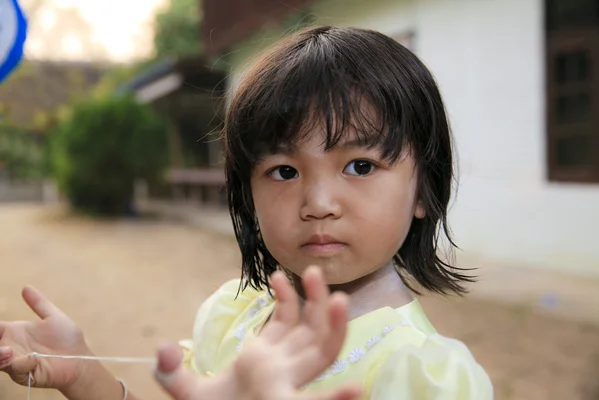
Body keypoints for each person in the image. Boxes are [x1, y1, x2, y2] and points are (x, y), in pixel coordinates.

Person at [0, 26, 493, 399]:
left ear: (425, 187)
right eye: (283, 171)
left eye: (360, 165)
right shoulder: (231, 314)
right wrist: (82, 370)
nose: (318, 204)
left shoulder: (428, 376)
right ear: (247, 192)